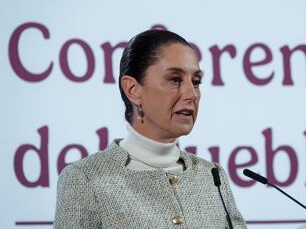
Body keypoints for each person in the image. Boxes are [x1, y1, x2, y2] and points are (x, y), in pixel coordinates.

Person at [54, 29, 247, 228]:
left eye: (196, 82)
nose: (192, 94)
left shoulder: (212, 176)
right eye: (175, 79)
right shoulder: (85, 179)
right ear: (133, 90)